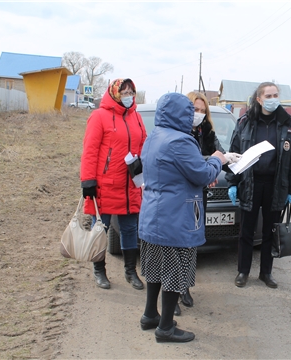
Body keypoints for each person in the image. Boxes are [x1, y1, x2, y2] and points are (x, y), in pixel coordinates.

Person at [138, 92, 227, 343]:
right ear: (182, 114)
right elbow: (201, 175)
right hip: (175, 217)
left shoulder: (154, 136)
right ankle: (165, 327)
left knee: (155, 268)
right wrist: (218, 160)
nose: (194, 116)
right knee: (174, 271)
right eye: (191, 111)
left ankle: (150, 315)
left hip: (154, 215)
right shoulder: (181, 141)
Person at [226, 82, 291, 289]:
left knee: (270, 231)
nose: (273, 99)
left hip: (275, 185)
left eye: (276, 95)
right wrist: (233, 183)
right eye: (268, 95)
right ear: (259, 99)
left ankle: (266, 273)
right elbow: (234, 153)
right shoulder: (245, 122)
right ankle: (243, 271)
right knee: (247, 231)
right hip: (250, 183)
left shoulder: (287, 124)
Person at [80, 78, 146, 291]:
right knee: (101, 228)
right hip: (105, 184)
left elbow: (144, 144)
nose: (128, 96)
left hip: (129, 184)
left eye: (131, 92)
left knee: (129, 229)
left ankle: (130, 271)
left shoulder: (136, 117)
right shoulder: (99, 116)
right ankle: (99, 270)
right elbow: (90, 150)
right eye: (124, 92)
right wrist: (87, 180)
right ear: (115, 93)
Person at [169, 91, 226, 312]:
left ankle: (185, 287)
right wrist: (205, 171)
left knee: (191, 243)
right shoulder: (177, 133)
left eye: (203, 111)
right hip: (178, 195)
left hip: (198, 195)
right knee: (175, 244)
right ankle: (171, 292)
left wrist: (211, 172)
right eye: (195, 109)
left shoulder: (207, 132)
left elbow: (217, 155)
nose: (198, 114)